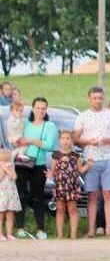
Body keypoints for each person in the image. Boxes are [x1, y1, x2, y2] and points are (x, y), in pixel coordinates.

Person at [73, 87, 110, 237]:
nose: (97, 100)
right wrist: (88, 141)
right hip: (91, 159)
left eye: (100, 98)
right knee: (92, 195)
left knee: (108, 194)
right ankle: (91, 230)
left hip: (108, 158)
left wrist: (107, 140)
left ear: (103, 98)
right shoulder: (82, 116)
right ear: (89, 98)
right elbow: (75, 138)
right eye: (94, 98)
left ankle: (108, 230)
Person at [13, 97, 57, 239]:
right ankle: (19, 227)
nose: (40, 111)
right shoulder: (25, 123)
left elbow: (49, 145)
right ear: (32, 109)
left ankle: (40, 229)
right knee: (20, 195)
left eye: (43, 108)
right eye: (38, 108)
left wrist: (31, 141)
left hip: (38, 165)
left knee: (38, 197)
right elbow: (15, 139)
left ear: (46, 110)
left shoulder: (49, 126)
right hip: (22, 163)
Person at [50, 131, 88, 239]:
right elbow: (53, 170)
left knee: (72, 209)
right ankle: (60, 234)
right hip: (60, 184)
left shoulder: (76, 155)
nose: (65, 141)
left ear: (72, 141)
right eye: (63, 138)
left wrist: (88, 165)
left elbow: (79, 170)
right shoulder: (55, 155)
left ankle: (73, 234)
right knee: (60, 209)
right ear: (59, 140)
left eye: (68, 138)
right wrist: (49, 174)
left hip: (72, 185)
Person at [0, 149, 19, 239]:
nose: (6, 155)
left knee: (10, 214)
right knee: (1, 214)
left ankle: (9, 233)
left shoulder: (10, 165)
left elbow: (15, 177)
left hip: (10, 193)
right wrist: (4, 170)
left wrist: (10, 170)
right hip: (2, 193)